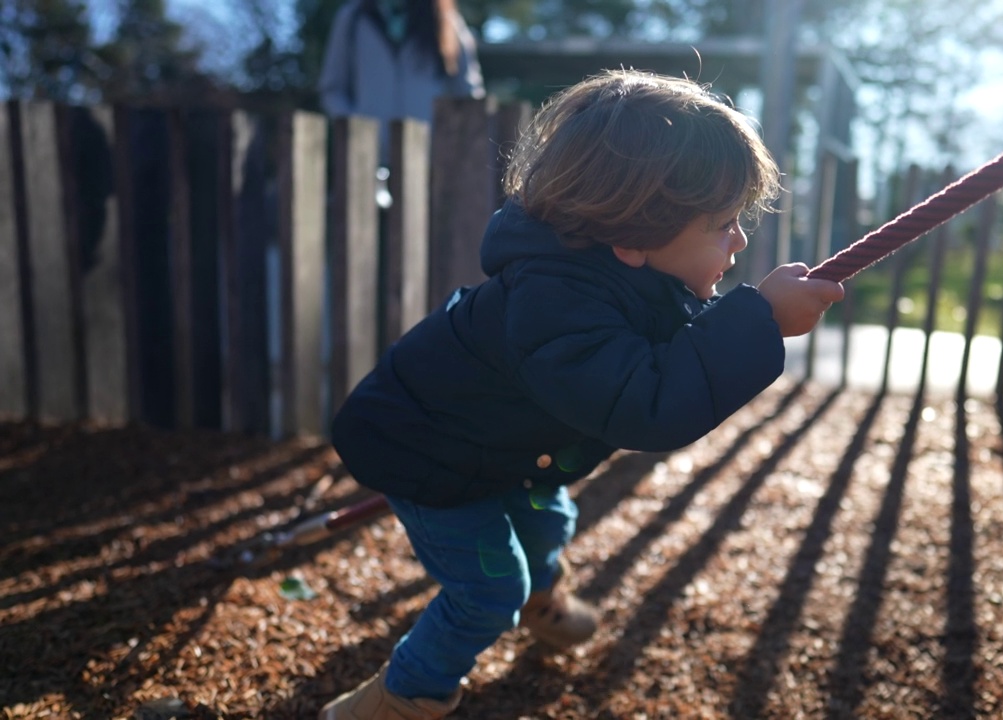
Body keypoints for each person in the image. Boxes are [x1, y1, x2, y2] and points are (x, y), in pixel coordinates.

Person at [319, 69, 846, 720]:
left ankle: (542, 598)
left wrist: (749, 320)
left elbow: (668, 349)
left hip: (501, 445)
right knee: (486, 593)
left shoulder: (615, 272)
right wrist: (760, 323)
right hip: (426, 453)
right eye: (723, 224)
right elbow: (647, 401)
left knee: (546, 521)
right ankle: (401, 699)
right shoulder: (553, 304)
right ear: (631, 238)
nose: (739, 241)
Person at [318, 0, 484, 165]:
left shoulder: (445, 18)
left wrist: (449, 138)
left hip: (428, 159)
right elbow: (333, 89)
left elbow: (469, 96)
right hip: (366, 160)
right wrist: (355, 128)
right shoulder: (353, 17)